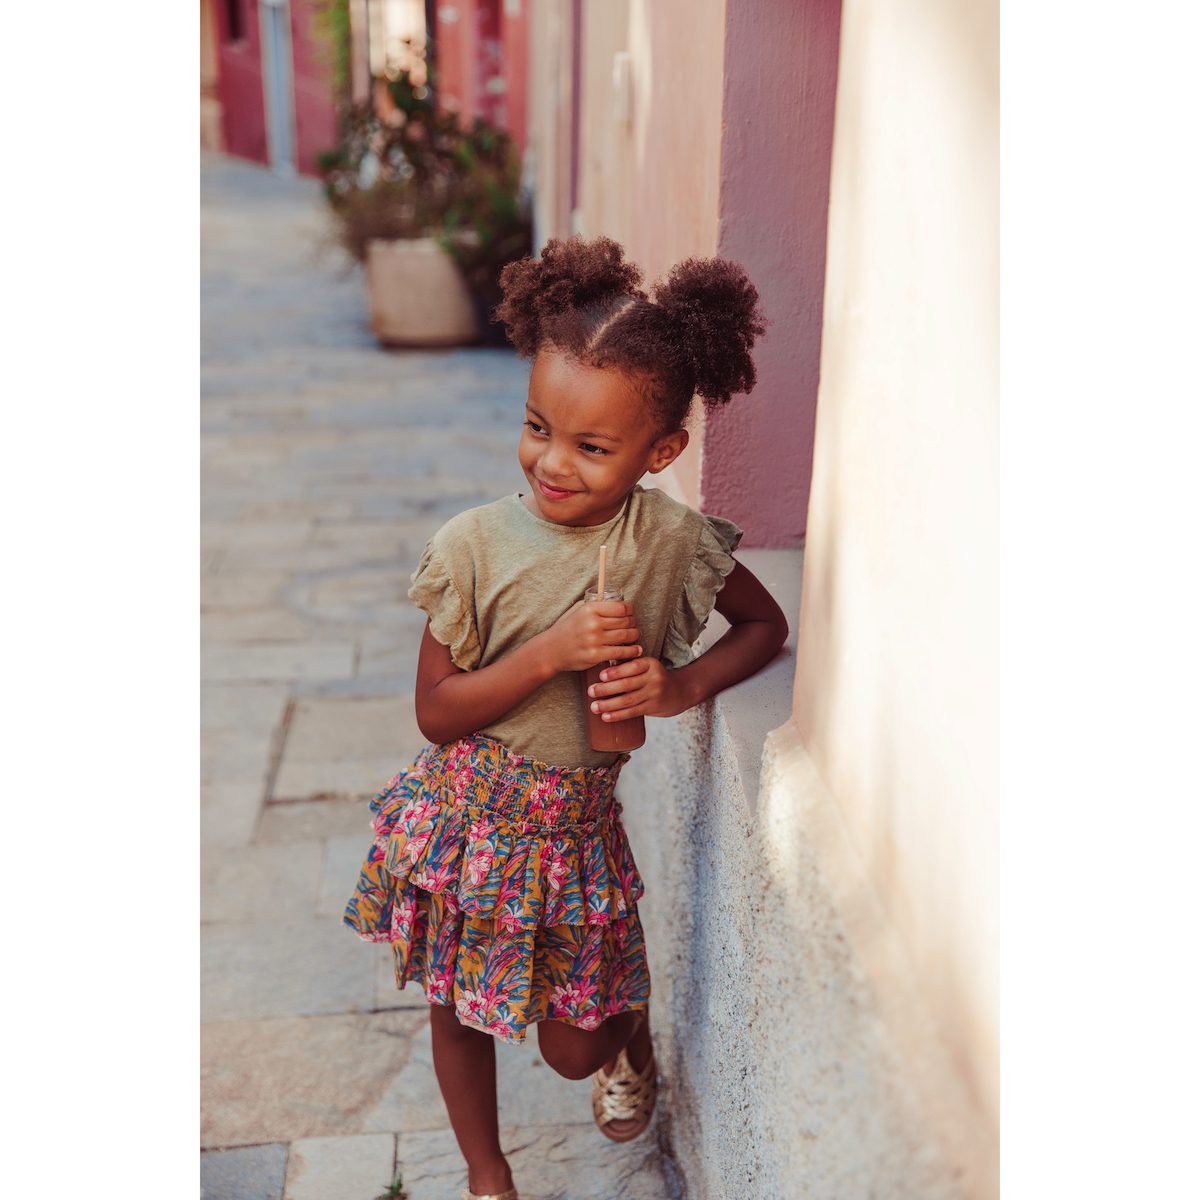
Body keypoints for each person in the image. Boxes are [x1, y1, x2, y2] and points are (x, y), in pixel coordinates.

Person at [343, 234, 789, 1200]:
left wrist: (677, 688)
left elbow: (764, 623)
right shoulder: (471, 547)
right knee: (460, 1006)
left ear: (660, 451)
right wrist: (547, 653)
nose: (554, 461)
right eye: (538, 425)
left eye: (592, 447)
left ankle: (627, 1036)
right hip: (467, 819)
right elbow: (434, 712)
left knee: (573, 1049)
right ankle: (485, 1176)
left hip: (574, 835)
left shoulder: (668, 542)